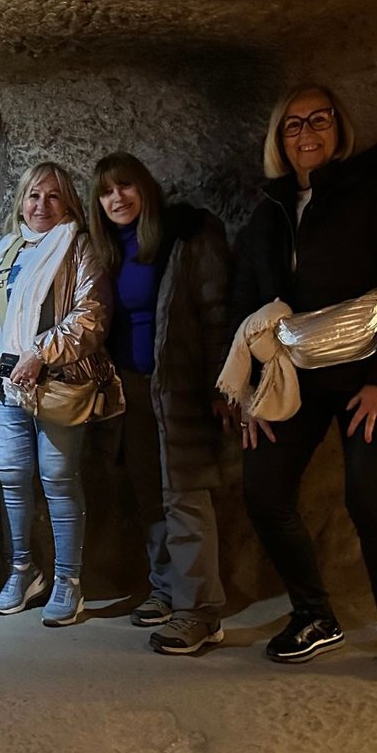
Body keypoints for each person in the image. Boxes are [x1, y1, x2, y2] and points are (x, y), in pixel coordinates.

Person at [229, 84, 377, 676]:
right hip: (293, 376)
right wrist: (247, 390)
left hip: (370, 373)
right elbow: (246, 301)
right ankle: (313, 614)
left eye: (318, 121)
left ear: (339, 127)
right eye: (293, 125)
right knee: (264, 489)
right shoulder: (269, 210)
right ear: (279, 140)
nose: (306, 134)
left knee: (374, 494)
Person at [86, 152, 233, 654]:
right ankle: (168, 589)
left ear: (145, 188)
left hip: (181, 386)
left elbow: (218, 312)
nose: (117, 199)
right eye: (106, 192)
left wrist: (221, 386)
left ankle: (202, 612)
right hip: (131, 386)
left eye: (125, 187)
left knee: (186, 497)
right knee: (150, 495)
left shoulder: (189, 235)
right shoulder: (107, 249)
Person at [0, 162, 111, 626]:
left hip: (56, 385)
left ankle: (69, 582)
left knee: (58, 479)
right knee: (12, 481)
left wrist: (40, 352)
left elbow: (90, 315)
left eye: (53, 196)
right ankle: (23, 572)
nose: (41, 206)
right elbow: (3, 309)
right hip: (9, 386)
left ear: (68, 202)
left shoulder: (77, 247)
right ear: (21, 201)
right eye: (34, 196)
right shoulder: (7, 249)